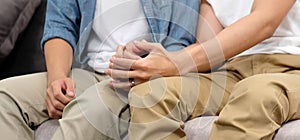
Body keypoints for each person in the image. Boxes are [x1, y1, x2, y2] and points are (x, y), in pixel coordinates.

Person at [0, 0, 200, 140]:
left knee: (89, 111)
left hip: (140, 80)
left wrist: (143, 67)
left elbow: (179, 43)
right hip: (89, 71)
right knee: (5, 97)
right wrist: (57, 78)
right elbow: (60, 24)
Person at [105, 0, 300, 139]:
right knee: (151, 93)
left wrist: (178, 62)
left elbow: (264, 22)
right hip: (234, 71)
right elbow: (207, 46)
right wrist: (153, 62)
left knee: (256, 93)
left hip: (292, 67)